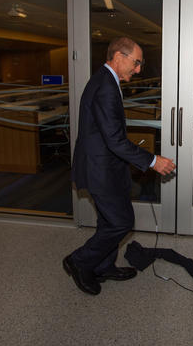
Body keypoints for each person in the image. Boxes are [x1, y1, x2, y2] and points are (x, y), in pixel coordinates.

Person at [63, 37, 176, 296]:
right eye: (136, 63)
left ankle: (103, 266)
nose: (138, 70)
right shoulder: (105, 86)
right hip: (99, 169)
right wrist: (153, 161)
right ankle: (79, 260)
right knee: (121, 223)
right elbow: (114, 140)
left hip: (107, 167)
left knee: (108, 221)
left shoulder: (107, 82)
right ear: (118, 57)